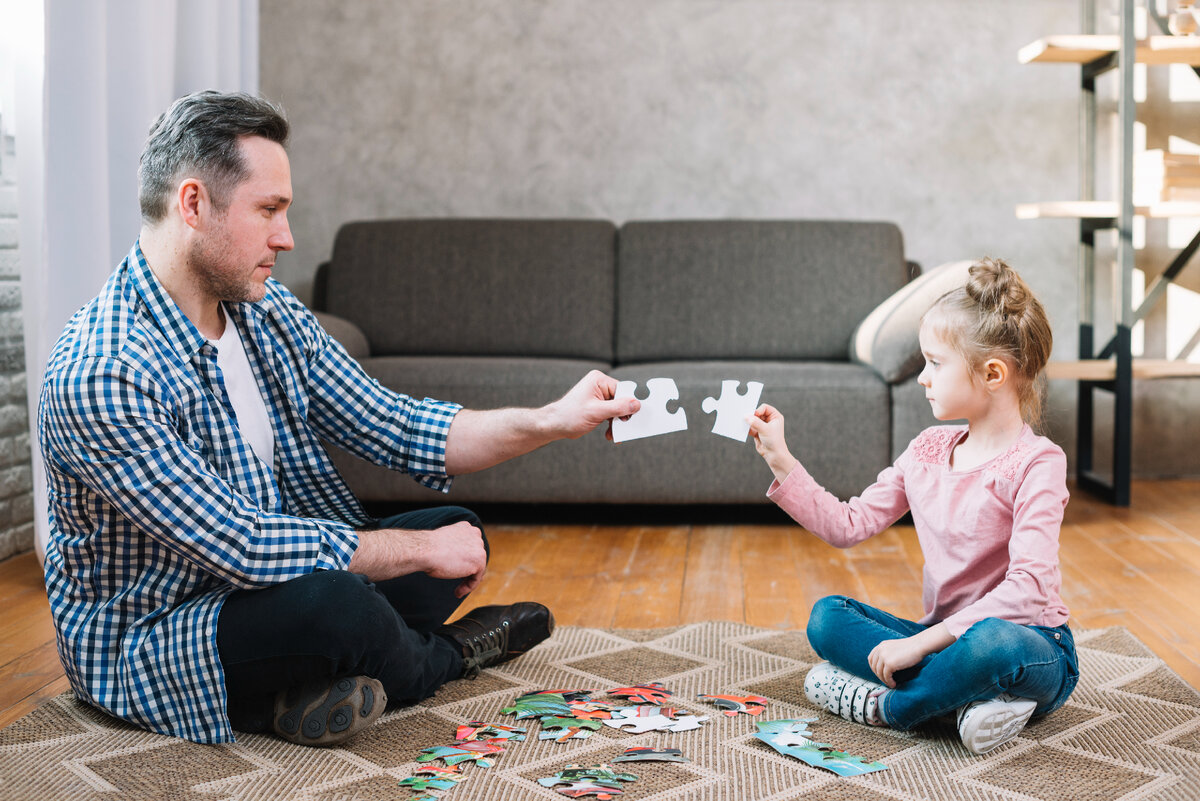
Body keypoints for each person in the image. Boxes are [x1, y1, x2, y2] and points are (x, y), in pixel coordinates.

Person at [38, 90, 640, 747]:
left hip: (270, 583)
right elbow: (239, 543)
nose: (287, 237)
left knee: (456, 529)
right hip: (160, 630)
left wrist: (553, 419)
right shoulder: (103, 373)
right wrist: (412, 553)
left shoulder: (264, 312)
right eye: (269, 210)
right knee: (346, 604)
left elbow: (397, 424)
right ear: (192, 204)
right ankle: (446, 656)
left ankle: (298, 688)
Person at [747, 257, 1078, 755]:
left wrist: (919, 645)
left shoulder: (1038, 463)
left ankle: (889, 707)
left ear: (992, 373)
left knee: (991, 644)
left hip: (1033, 648)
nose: (922, 377)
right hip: (945, 644)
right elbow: (849, 524)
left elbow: (1029, 590)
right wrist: (781, 459)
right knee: (826, 617)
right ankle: (964, 702)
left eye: (935, 363)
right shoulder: (926, 448)